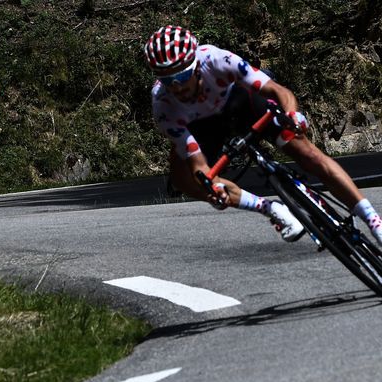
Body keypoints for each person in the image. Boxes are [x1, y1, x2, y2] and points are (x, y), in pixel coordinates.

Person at [144, 26, 382, 244]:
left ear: (196, 65)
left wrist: (293, 115)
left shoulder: (217, 59)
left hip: (240, 102)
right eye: (168, 81)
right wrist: (213, 189)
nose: (177, 87)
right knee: (186, 180)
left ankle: (373, 222)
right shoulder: (164, 105)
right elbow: (198, 165)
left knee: (307, 153)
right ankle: (271, 209)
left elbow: (277, 91)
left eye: (182, 77)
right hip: (202, 125)